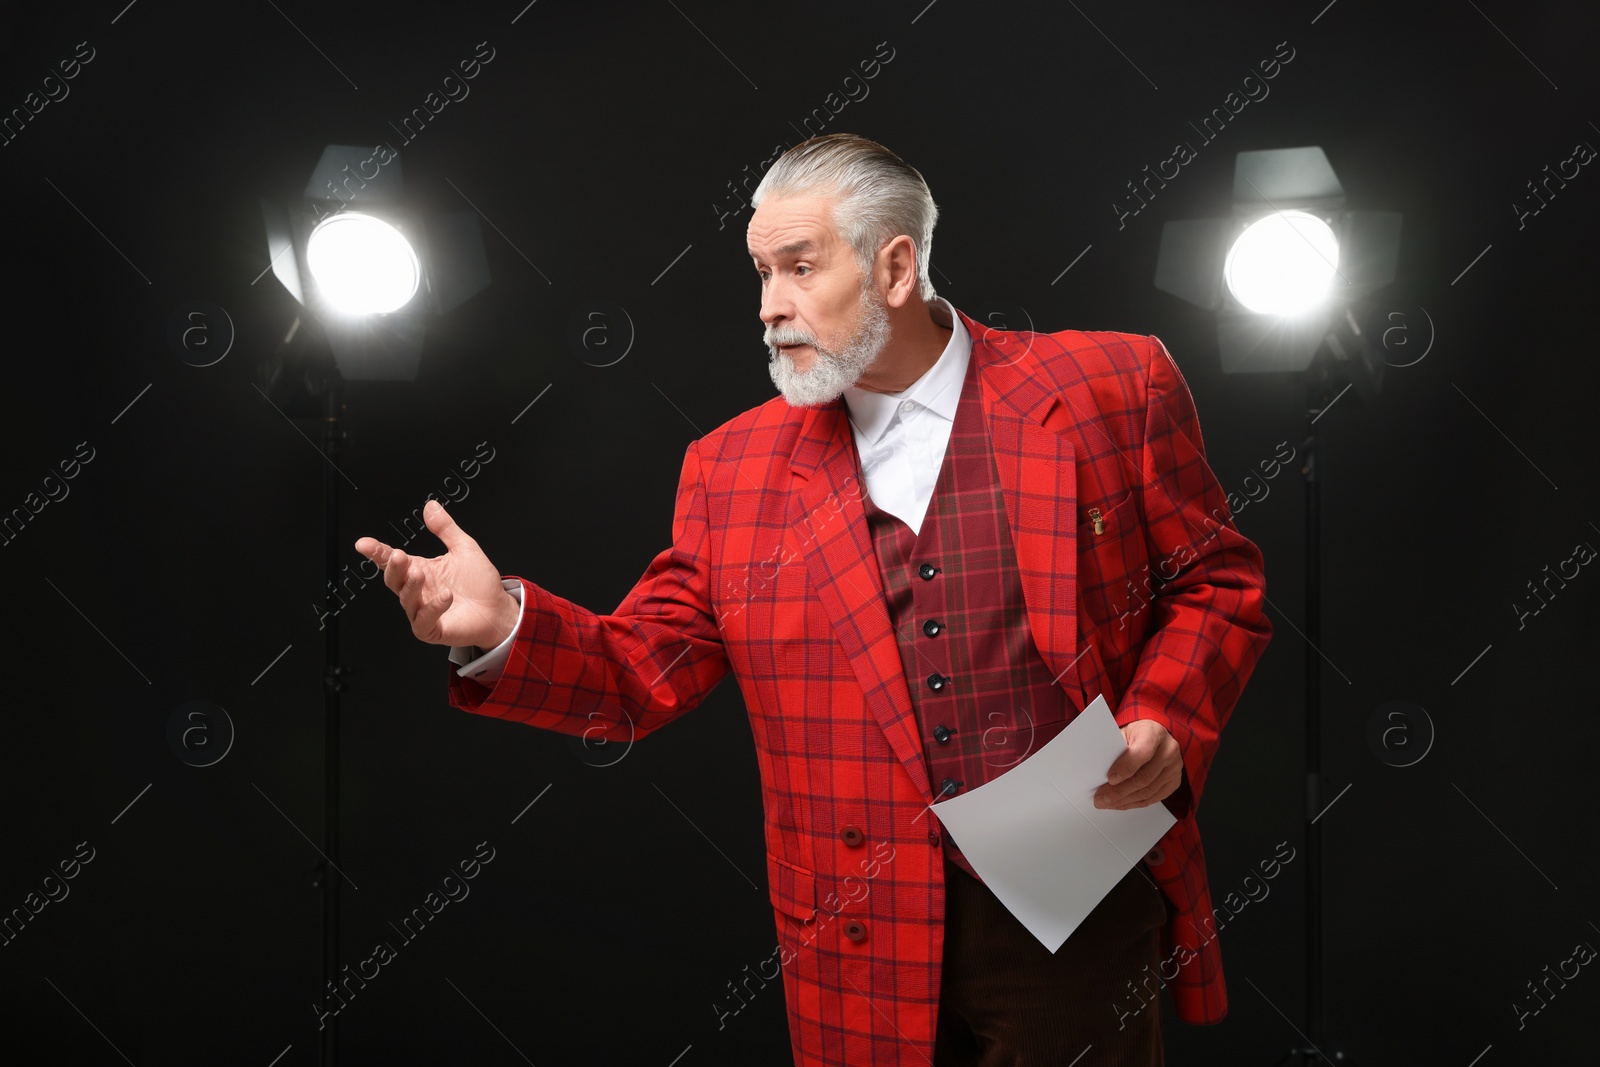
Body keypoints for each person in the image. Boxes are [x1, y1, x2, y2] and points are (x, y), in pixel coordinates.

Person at [355, 132, 1272, 1067]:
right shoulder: (732, 468)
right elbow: (641, 671)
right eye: (760, 273)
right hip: (856, 925)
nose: (769, 307)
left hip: (1075, 891)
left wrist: (1164, 713)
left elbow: (1216, 582)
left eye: (799, 268)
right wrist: (504, 625)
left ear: (896, 267)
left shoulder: (1108, 387)